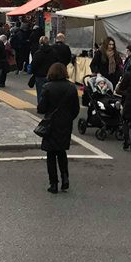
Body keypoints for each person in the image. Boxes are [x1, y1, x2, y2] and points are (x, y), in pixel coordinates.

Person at [38, 61, 80, 194]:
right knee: (62, 152)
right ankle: (65, 178)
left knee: (51, 154)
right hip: (66, 123)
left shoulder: (47, 87)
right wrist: (68, 118)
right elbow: (76, 109)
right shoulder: (72, 87)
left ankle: (54, 183)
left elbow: (41, 108)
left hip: (51, 123)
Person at [29, 35, 56, 108]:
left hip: (39, 75)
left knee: (40, 91)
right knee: (50, 92)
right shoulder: (53, 52)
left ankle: (41, 107)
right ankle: (48, 106)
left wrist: (33, 72)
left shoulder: (38, 53)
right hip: (50, 75)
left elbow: (34, 64)